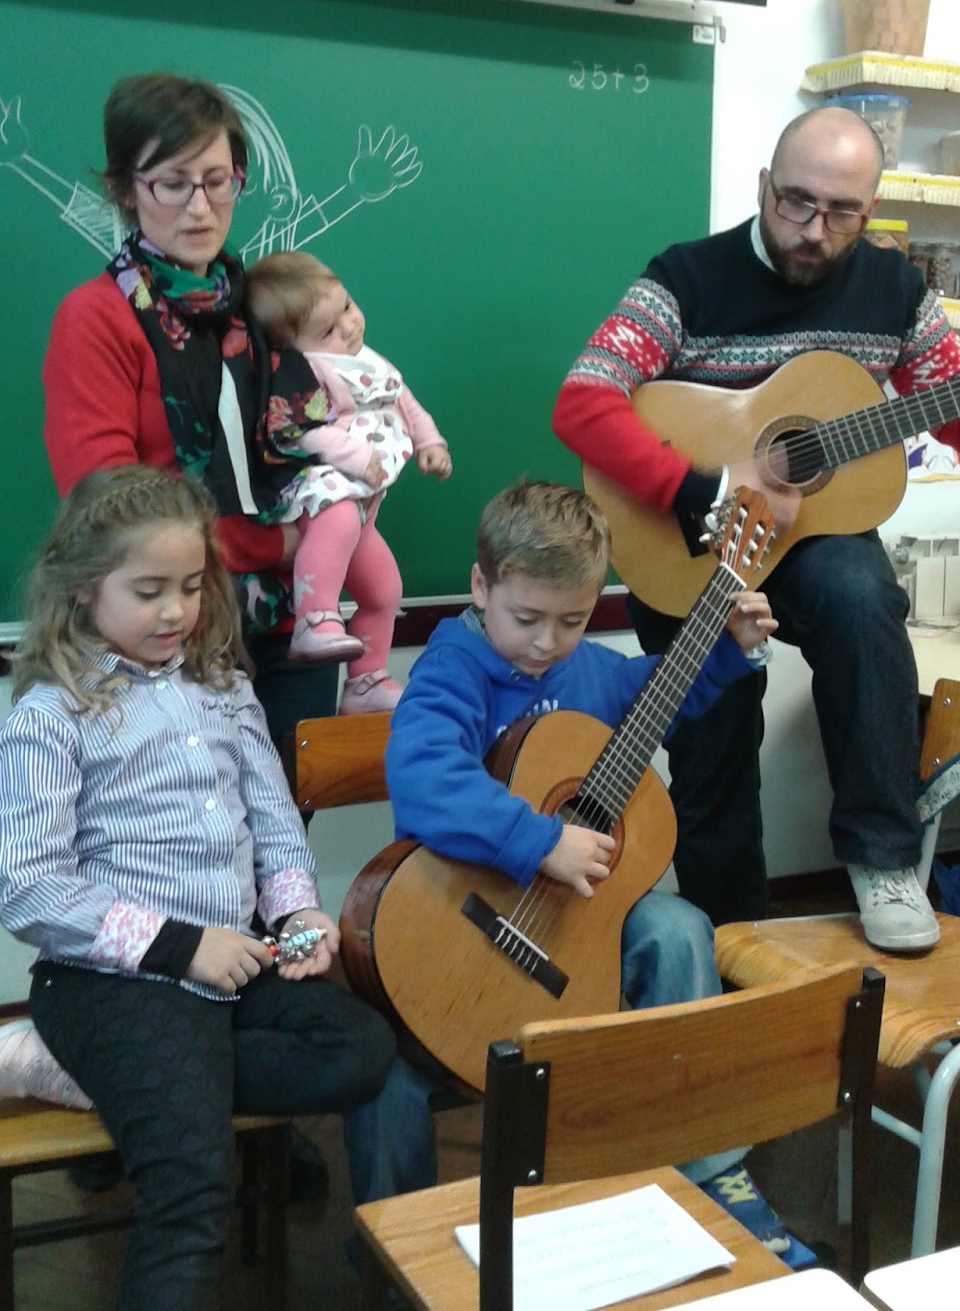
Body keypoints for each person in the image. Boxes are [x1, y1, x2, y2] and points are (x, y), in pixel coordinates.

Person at [0, 465, 430, 1309]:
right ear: (83, 588)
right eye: (148, 591)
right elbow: (29, 888)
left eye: (192, 587)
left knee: (360, 1048)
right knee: (194, 1191)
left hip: (234, 965)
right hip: (116, 982)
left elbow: (272, 822)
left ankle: (88, 1070)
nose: (175, 611)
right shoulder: (50, 716)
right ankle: (91, 1056)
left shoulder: (224, 689)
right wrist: (183, 947)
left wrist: (298, 908)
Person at [367, 479, 813, 1261]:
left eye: (572, 621)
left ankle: (708, 1169)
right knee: (384, 1080)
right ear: (481, 586)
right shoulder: (452, 671)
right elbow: (425, 775)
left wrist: (727, 647)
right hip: (461, 921)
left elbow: (657, 694)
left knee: (679, 930)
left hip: (570, 925)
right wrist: (540, 840)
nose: (547, 642)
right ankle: (398, 1251)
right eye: (527, 618)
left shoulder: (587, 670)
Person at [553, 103, 960, 953]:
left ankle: (883, 859)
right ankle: (727, 945)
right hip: (689, 541)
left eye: (841, 213)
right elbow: (583, 402)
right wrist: (710, 487)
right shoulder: (685, 277)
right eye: (797, 202)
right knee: (714, 745)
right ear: (766, 184)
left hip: (810, 542)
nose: (814, 230)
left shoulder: (896, 292)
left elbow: (947, 402)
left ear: (871, 208)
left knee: (862, 603)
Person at [41, 73, 339, 752]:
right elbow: (109, 516)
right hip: (163, 634)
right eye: (173, 184)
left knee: (287, 813)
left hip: (287, 625)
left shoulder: (262, 306)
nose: (200, 207)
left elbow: (315, 434)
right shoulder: (96, 318)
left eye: (218, 181)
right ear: (127, 189)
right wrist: (278, 544)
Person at [245, 251, 451, 714]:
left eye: (347, 306)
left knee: (385, 590)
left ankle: (365, 681)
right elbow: (297, 431)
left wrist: (429, 441)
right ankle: (314, 618)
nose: (349, 326)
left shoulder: (363, 359)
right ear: (292, 344)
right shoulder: (301, 371)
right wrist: (358, 457)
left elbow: (402, 400)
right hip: (323, 491)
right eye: (328, 330)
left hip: (362, 505)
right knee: (337, 521)